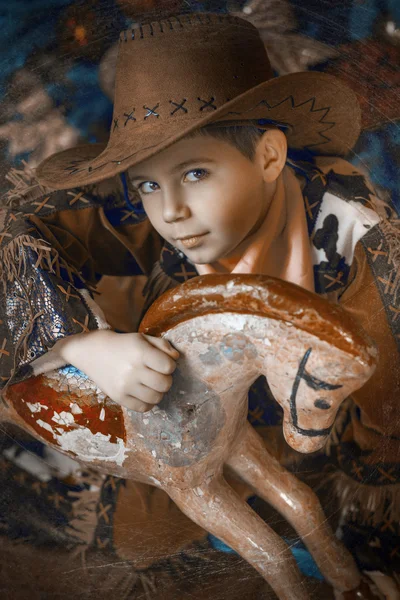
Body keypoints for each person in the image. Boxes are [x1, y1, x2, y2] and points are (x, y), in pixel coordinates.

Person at [0, 11, 399, 597]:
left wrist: (373, 545)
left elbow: (385, 418)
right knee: (140, 527)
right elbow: (19, 232)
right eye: (149, 184)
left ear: (268, 158)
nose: (171, 213)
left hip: (320, 430)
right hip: (199, 412)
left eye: (196, 172)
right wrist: (83, 340)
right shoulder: (156, 213)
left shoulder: (362, 251)